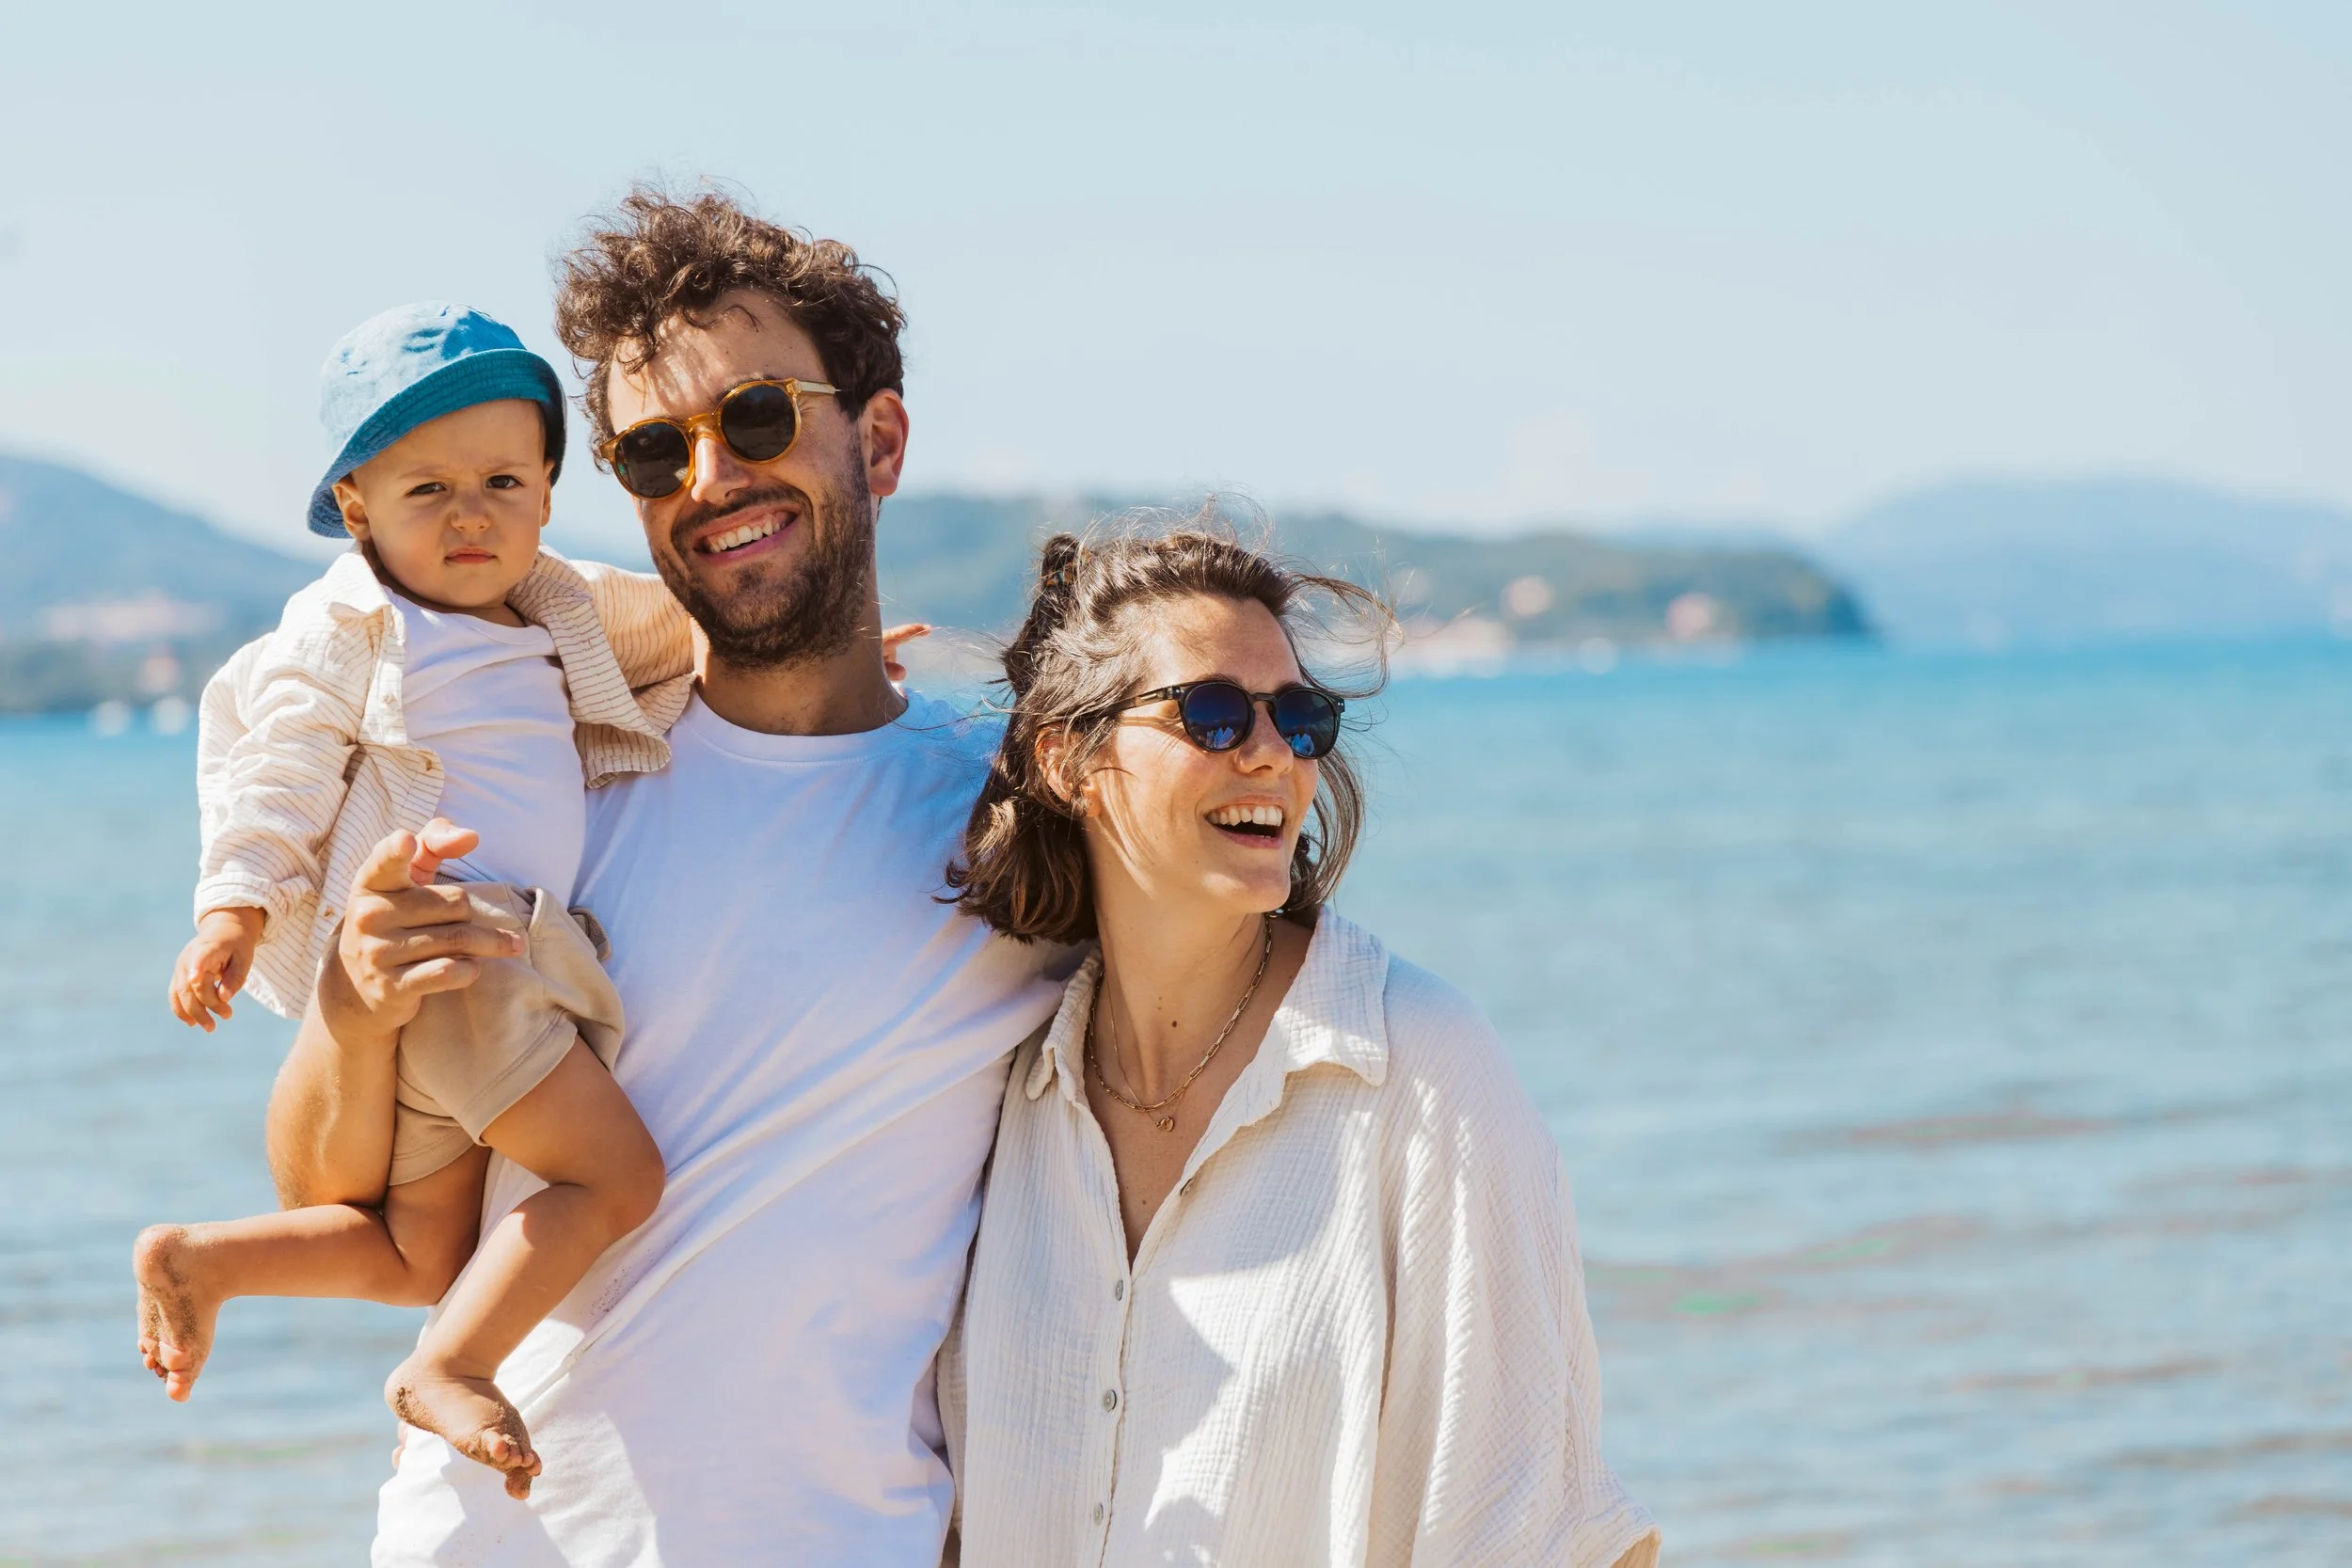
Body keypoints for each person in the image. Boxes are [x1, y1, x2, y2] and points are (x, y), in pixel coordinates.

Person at [262, 191, 1069, 1565]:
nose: (709, 479)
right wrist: (354, 1000)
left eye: (756, 416)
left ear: (877, 438)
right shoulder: (550, 785)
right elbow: (330, 1195)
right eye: (652, 450)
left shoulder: (1024, 825)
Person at [939, 525, 1661, 1567]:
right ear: (1069, 760)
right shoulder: (1007, 1088)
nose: (1271, 753)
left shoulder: (1420, 1071)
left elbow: (1551, 1532)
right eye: (1214, 712)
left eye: (1300, 715)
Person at [139, 302, 690, 1499]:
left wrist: (850, 637)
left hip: (492, 973)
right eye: (424, 489)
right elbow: (276, 769)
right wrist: (233, 909)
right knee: (617, 1179)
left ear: (547, 487)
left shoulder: (559, 606)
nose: (470, 513)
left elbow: (683, 629)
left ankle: (204, 1260)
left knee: (419, 1247)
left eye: (501, 478)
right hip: (460, 952)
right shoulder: (353, 626)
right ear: (355, 508)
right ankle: (448, 1364)